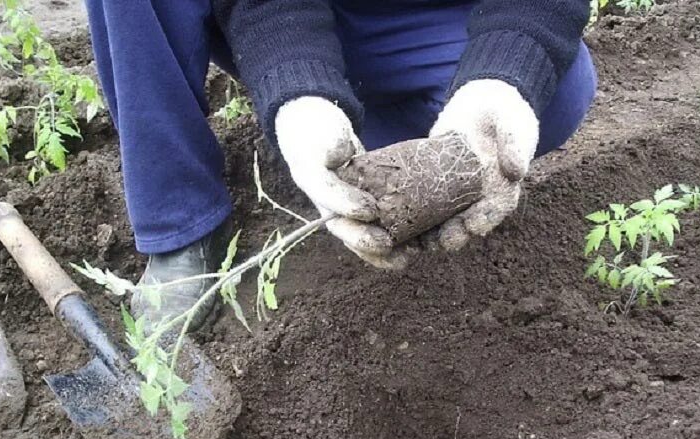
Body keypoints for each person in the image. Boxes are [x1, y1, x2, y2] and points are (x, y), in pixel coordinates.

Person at [84, 0, 596, 330]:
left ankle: (381, 124)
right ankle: (181, 224)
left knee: (548, 97)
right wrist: (299, 92)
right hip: (281, 12)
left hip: (426, 16)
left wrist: (501, 78)